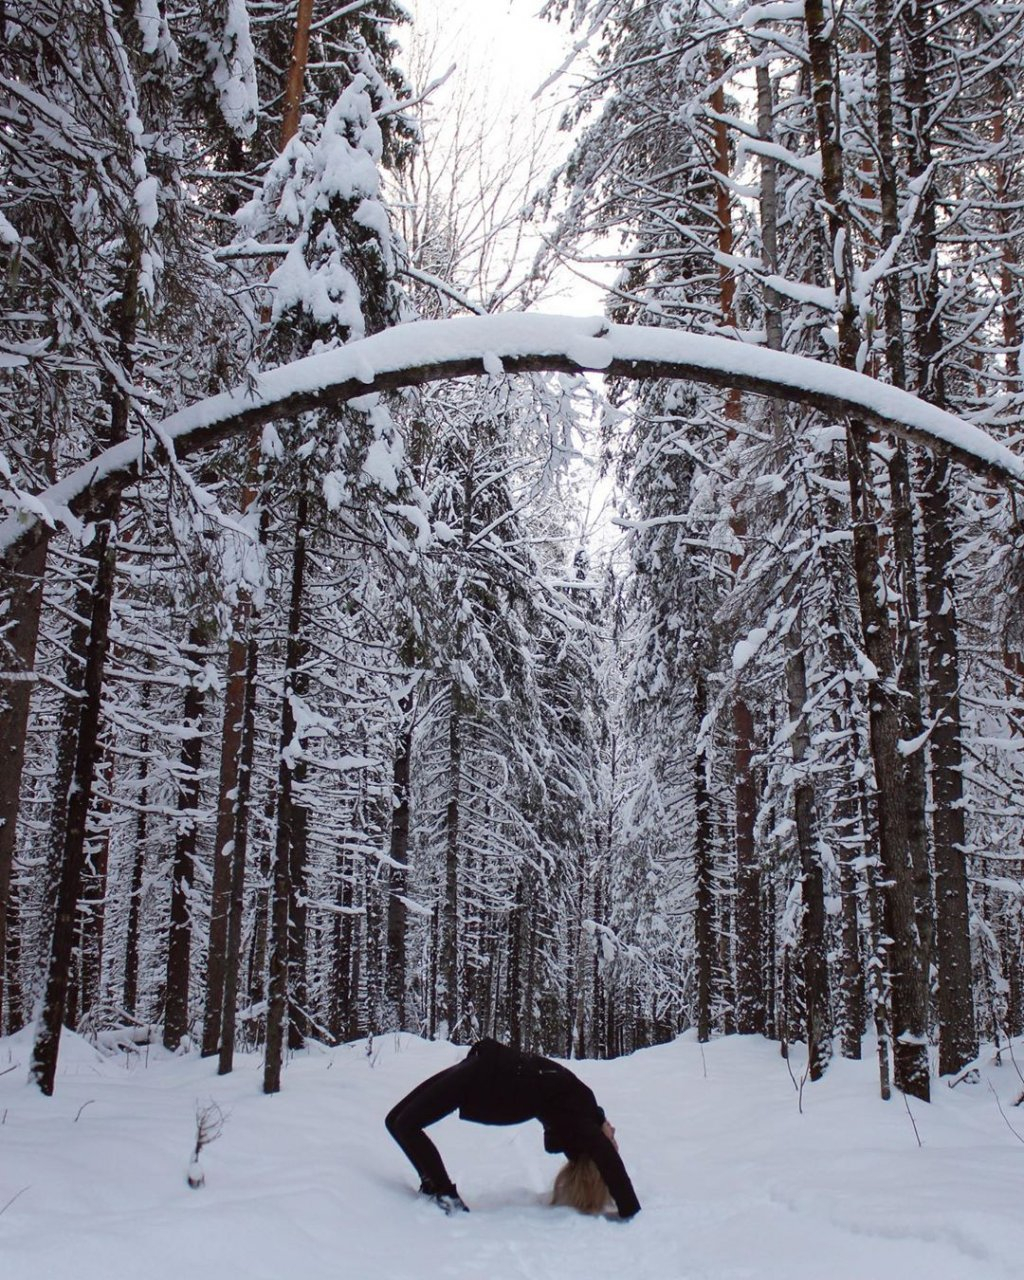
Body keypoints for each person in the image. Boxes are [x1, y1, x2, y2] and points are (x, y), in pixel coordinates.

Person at [385, 1037, 641, 1219]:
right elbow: (557, 1142)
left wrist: (630, 1208)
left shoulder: (584, 1123)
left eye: (613, 1141)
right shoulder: (586, 1110)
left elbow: (607, 1161)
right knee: (395, 1121)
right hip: (485, 1065)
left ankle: (445, 1195)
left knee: (405, 1124)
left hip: (486, 1079)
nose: (614, 1133)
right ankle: (431, 1184)